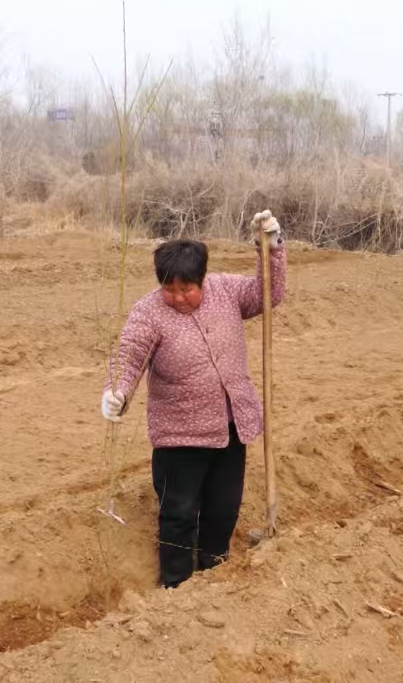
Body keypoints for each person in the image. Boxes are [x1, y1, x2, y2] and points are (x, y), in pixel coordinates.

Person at [102, 211, 286, 588]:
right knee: (179, 512)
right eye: (169, 289)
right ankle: (176, 583)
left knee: (223, 508)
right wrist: (117, 391)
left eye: (186, 289)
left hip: (231, 427)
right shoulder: (149, 312)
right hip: (180, 436)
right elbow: (129, 355)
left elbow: (268, 293)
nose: (178, 297)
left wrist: (271, 249)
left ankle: (214, 569)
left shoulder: (226, 291)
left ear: (202, 278)